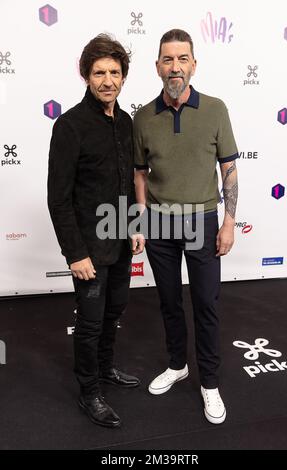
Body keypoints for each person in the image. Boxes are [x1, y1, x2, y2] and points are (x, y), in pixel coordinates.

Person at [134, 29, 238, 424]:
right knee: (168, 301)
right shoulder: (143, 116)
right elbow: (140, 173)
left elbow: (228, 169)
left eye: (182, 59)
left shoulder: (215, 109)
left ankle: (209, 382)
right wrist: (141, 217)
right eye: (167, 59)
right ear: (157, 66)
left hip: (202, 219)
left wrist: (228, 222)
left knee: (206, 303)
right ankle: (178, 365)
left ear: (193, 64)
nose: (174, 66)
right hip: (159, 222)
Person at [48, 33, 145, 428]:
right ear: (85, 75)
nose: (108, 80)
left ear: (124, 76)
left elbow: (128, 183)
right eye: (99, 72)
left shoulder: (126, 122)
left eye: (115, 72)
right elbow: (59, 198)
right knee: (89, 322)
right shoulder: (69, 125)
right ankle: (89, 392)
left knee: (114, 311)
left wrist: (136, 227)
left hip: (120, 243)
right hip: (88, 249)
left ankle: (106, 370)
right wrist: (75, 254)